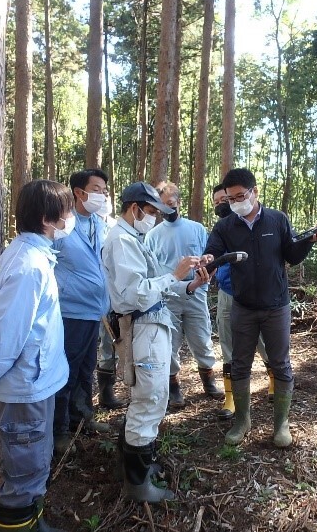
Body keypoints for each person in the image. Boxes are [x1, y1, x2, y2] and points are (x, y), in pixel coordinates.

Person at [0, 179, 73, 532]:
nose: (70, 217)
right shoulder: (29, 265)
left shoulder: (31, 255)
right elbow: (4, 332)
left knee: (34, 463)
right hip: (23, 387)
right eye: (66, 211)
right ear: (47, 219)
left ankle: (34, 521)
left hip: (33, 381)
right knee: (25, 470)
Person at [102, 181, 211, 502]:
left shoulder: (134, 238)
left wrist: (188, 286)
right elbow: (136, 293)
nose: (155, 219)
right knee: (149, 398)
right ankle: (137, 484)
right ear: (135, 208)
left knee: (153, 396)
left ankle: (138, 464)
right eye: (151, 212)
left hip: (153, 324)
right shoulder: (121, 240)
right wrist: (175, 276)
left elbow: (155, 285)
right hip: (141, 328)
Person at [203, 168, 317, 448]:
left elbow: (292, 256)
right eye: (231, 199)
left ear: (255, 192)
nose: (235, 202)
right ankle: (242, 420)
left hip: (276, 306)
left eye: (240, 196)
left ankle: (281, 424)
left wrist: (308, 241)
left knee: (280, 363)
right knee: (240, 363)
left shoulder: (277, 219)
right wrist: (208, 261)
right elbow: (213, 253)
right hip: (242, 305)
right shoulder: (225, 227)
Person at [145, 182, 224, 408]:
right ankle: (174, 388)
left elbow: (209, 255)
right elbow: (153, 270)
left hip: (197, 292)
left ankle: (209, 381)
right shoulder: (152, 235)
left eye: (171, 204)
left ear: (179, 202)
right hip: (169, 297)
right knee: (169, 343)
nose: (167, 209)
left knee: (202, 338)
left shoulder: (197, 228)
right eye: (162, 206)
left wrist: (207, 265)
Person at [52, 169, 112, 456]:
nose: (102, 195)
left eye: (104, 190)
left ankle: (82, 418)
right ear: (79, 192)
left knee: (86, 368)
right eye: (97, 189)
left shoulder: (100, 225)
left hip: (95, 311)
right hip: (70, 311)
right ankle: (59, 431)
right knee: (68, 370)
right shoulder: (63, 226)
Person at [211, 184, 272, 420]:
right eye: (216, 202)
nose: (220, 205)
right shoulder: (219, 230)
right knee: (228, 344)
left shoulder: (256, 223)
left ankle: (274, 381)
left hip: (258, 294)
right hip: (228, 293)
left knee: (264, 340)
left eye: (224, 200)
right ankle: (231, 397)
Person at [95, 195, 125, 410]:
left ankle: (106, 393)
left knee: (110, 343)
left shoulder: (117, 227)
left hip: (114, 295)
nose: (104, 199)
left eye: (106, 195)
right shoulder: (77, 226)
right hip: (87, 297)